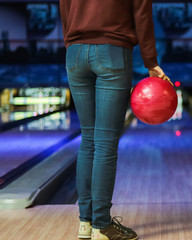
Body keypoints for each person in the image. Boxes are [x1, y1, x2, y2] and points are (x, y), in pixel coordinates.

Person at [59, 1, 170, 240]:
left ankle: (85, 224)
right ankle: (102, 225)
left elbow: (64, 7)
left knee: (88, 139)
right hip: (112, 51)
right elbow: (142, 12)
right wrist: (150, 61)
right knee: (106, 143)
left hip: (75, 53)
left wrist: (71, 42)